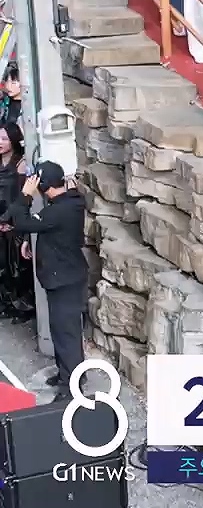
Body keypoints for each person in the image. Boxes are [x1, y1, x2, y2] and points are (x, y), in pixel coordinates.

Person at [2, 162, 89, 400]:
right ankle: (68, 374)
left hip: (65, 281)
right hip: (64, 278)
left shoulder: (58, 210)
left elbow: (24, 221)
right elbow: (43, 226)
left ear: (45, 186)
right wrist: (29, 239)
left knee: (66, 335)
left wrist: (24, 196)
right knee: (63, 331)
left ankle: (71, 390)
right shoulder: (66, 202)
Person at [0, 124, 31, 322]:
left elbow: (22, 196)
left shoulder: (20, 163)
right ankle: (5, 303)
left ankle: (21, 307)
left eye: (4, 139)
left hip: (13, 219)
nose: (0, 143)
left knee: (16, 267)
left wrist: (9, 219)